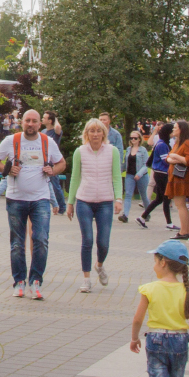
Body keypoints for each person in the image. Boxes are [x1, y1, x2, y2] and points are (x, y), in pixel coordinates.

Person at [0, 109, 67, 300]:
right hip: (16, 198)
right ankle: (19, 281)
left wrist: (52, 170)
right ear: (21, 122)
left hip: (40, 199)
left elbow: (62, 163)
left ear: (40, 124)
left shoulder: (47, 142)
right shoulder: (12, 141)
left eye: (34, 121)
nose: (30, 124)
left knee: (41, 240)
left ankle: (36, 281)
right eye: (27, 121)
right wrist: (7, 169)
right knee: (17, 244)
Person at [131, 239, 189, 377]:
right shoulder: (186, 292)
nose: (154, 265)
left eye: (155, 261)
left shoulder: (150, 289)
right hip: (180, 342)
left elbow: (137, 319)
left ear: (163, 263)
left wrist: (134, 338)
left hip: (156, 341)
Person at [68, 118, 124, 292]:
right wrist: (70, 203)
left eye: (98, 131)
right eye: (91, 131)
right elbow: (75, 177)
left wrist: (118, 198)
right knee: (88, 240)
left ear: (103, 133)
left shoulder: (112, 151)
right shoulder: (80, 152)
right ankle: (86, 278)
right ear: (86, 134)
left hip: (105, 202)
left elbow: (116, 176)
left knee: (103, 242)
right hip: (84, 200)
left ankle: (99, 265)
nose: (95, 134)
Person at [164, 121, 189, 241]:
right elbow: (168, 156)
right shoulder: (177, 142)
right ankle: (184, 230)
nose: (173, 130)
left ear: (181, 129)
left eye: (175, 128)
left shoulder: (187, 143)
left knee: (181, 205)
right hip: (174, 177)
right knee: (179, 205)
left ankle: (185, 231)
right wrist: (172, 159)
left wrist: (176, 158)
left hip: (182, 178)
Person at [139, 122, 176, 230]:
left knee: (159, 199)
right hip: (162, 174)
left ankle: (142, 217)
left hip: (160, 173)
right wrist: (175, 160)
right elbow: (165, 160)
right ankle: (169, 223)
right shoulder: (162, 145)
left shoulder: (162, 143)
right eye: (172, 131)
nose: (173, 133)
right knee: (166, 198)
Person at [126, 130, 152, 214]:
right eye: (131, 138)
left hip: (142, 176)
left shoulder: (143, 150)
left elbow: (146, 164)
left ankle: (147, 214)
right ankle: (125, 215)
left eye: (135, 138)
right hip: (130, 175)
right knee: (128, 194)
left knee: (144, 196)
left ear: (139, 139)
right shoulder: (128, 149)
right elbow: (126, 162)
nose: (133, 140)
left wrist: (139, 174)